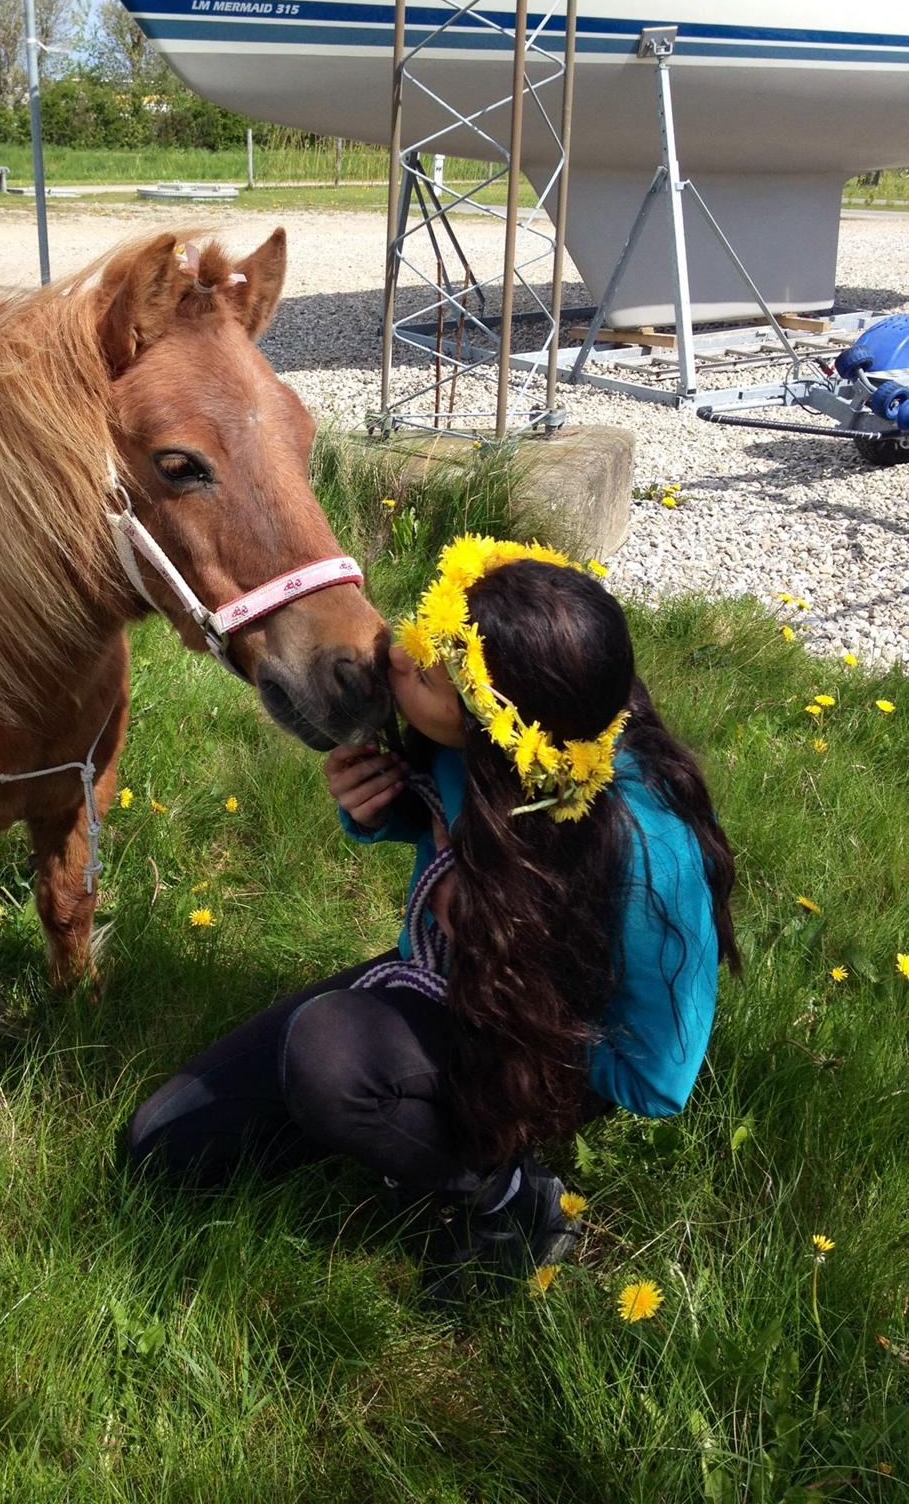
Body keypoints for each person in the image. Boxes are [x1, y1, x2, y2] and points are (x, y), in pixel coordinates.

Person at [122, 536, 739, 1300]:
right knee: (160, 1147)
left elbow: (657, 1073)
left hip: (539, 1036)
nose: (405, 652)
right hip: (450, 971)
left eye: (440, 666)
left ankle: (506, 1194)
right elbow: (447, 813)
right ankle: (390, 1113)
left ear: (494, 728)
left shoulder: (647, 852)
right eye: (433, 630)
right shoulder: (474, 747)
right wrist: (377, 812)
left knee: (326, 1056)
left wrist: (514, 1021)